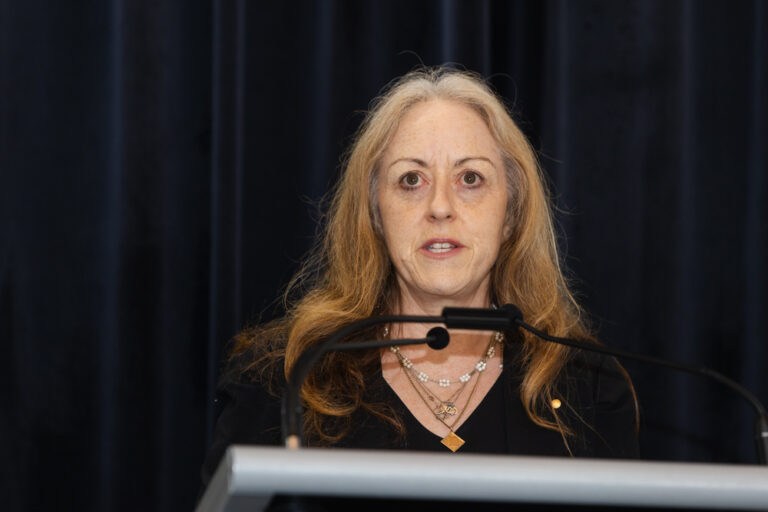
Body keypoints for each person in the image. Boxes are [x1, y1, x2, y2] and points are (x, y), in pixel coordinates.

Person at [200, 66, 639, 504]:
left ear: (510, 214)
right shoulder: (284, 379)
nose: (440, 207)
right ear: (376, 213)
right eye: (411, 180)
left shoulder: (587, 387)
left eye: (470, 178)